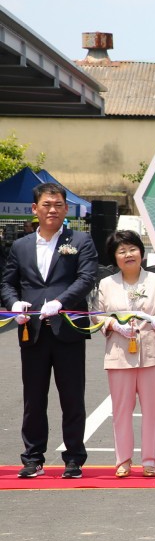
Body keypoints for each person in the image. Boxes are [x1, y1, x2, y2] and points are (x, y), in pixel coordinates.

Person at [1, 182, 98, 479]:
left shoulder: (80, 240)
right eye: (46, 204)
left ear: (66, 208)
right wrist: (14, 303)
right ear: (35, 209)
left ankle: (73, 458)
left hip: (66, 327)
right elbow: (7, 282)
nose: (52, 209)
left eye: (58, 204)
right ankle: (32, 457)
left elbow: (87, 277)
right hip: (32, 330)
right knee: (33, 397)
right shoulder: (21, 246)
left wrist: (61, 301)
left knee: (72, 396)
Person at [96, 230, 155, 478]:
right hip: (119, 353)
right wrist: (111, 324)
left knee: (152, 410)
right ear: (115, 257)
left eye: (132, 249)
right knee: (121, 410)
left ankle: (150, 460)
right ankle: (123, 460)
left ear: (141, 252)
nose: (128, 254)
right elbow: (97, 314)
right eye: (122, 251)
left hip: (152, 354)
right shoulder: (106, 284)